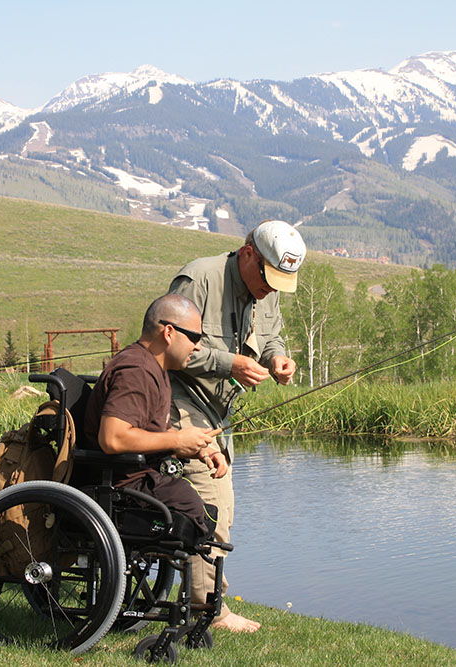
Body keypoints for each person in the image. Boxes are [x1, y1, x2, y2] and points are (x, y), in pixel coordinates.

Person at [167, 219, 307, 632]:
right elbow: (168, 349)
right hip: (177, 405)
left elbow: (271, 339)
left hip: (218, 414)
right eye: (269, 276)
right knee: (208, 506)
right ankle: (207, 610)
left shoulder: (268, 292)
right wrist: (232, 363)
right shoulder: (199, 279)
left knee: (222, 510)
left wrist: (277, 360)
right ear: (248, 253)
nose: (272, 289)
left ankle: (207, 600)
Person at [84, 294, 224, 538]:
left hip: (139, 475)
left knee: (202, 511)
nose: (198, 346)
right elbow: (113, 438)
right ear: (169, 333)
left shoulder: (155, 367)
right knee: (192, 508)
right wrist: (177, 442)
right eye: (194, 337)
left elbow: (152, 429)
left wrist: (201, 449)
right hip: (121, 483)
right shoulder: (137, 370)